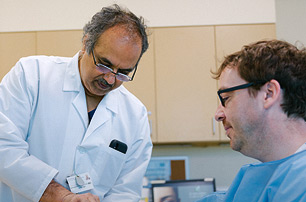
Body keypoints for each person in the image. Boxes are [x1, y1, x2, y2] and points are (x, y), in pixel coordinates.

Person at [0, 4, 152, 202]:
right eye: (104, 64)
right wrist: (59, 195)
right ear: (86, 43)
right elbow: (5, 148)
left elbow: (126, 191)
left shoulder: (135, 115)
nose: (110, 79)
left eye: (123, 72)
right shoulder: (31, 76)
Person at [197, 39, 306, 202]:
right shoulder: (264, 180)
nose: (218, 115)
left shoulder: (299, 183)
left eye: (226, 98)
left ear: (268, 94)